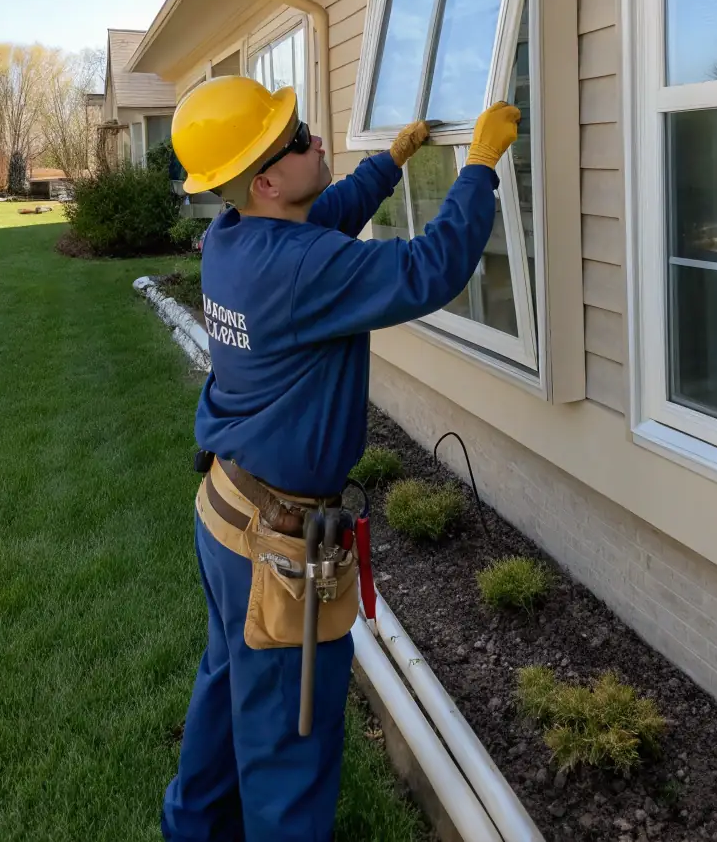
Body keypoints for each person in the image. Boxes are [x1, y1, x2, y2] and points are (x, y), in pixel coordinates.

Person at [161, 75, 520, 842]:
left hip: (226, 514)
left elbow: (324, 215)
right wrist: (480, 166)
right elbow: (430, 267)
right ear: (264, 177)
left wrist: (388, 163)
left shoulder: (234, 237)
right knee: (290, 746)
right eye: (296, 138)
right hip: (275, 547)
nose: (314, 136)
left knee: (228, 688)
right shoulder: (298, 266)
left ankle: (192, 826)